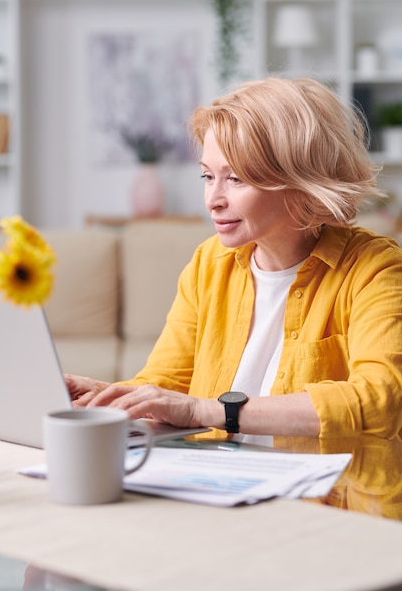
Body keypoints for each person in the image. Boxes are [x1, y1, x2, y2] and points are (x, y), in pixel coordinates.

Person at [66, 76, 402, 442]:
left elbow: (378, 401)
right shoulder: (209, 263)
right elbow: (165, 384)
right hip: (218, 485)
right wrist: (105, 397)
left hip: (325, 497)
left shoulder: (376, 270)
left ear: (299, 180)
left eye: (236, 179)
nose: (213, 199)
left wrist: (204, 410)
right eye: (208, 176)